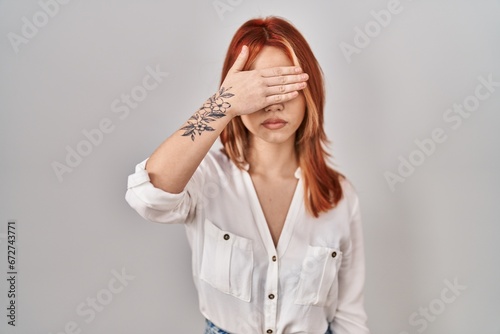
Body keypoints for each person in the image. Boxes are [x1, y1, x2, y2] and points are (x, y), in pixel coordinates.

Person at [125, 16, 370, 334]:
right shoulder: (207, 177)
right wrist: (222, 104)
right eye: (259, 88)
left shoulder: (340, 196)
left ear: (310, 91)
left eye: (284, 85)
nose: (274, 103)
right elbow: (147, 197)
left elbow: (349, 316)